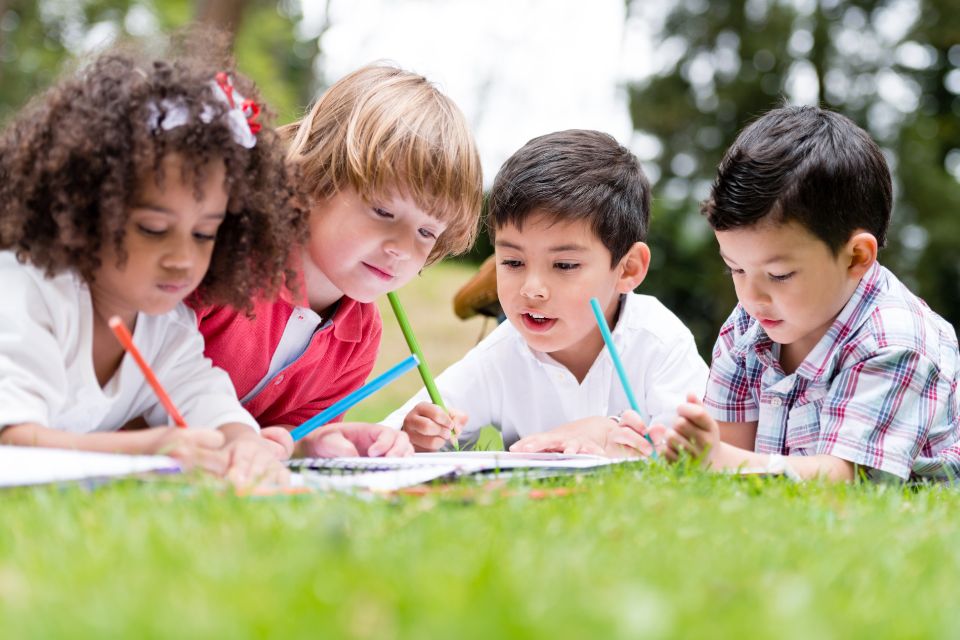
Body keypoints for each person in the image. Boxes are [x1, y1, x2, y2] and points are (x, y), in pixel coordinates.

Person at [0, 39, 302, 486]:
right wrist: (147, 448)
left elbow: (211, 406)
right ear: (83, 210)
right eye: (154, 229)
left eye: (204, 234)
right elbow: (13, 443)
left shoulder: (166, 329)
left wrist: (244, 444)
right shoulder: (26, 294)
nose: (183, 259)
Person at [635, 105, 960, 482]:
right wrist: (688, 449)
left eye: (779, 274)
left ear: (856, 257)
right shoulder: (748, 326)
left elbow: (849, 478)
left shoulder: (895, 341)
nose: (751, 296)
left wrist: (724, 460)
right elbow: (725, 457)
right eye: (735, 269)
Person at [190, 64, 484, 458]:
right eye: (383, 211)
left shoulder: (360, 335)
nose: (401, 247)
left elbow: (290, 435)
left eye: (426, 233)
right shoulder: (222, 264)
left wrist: (318, 442)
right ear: (306, 184)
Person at [383, 129, 709, 454]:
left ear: (628, 269)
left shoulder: (660, 343)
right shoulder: (501, 353)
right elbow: (397, 436)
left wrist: (604, 435)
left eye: (564, 265)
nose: (532, 289)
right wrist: (419, 435)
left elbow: (698, 454)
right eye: (512, 261)